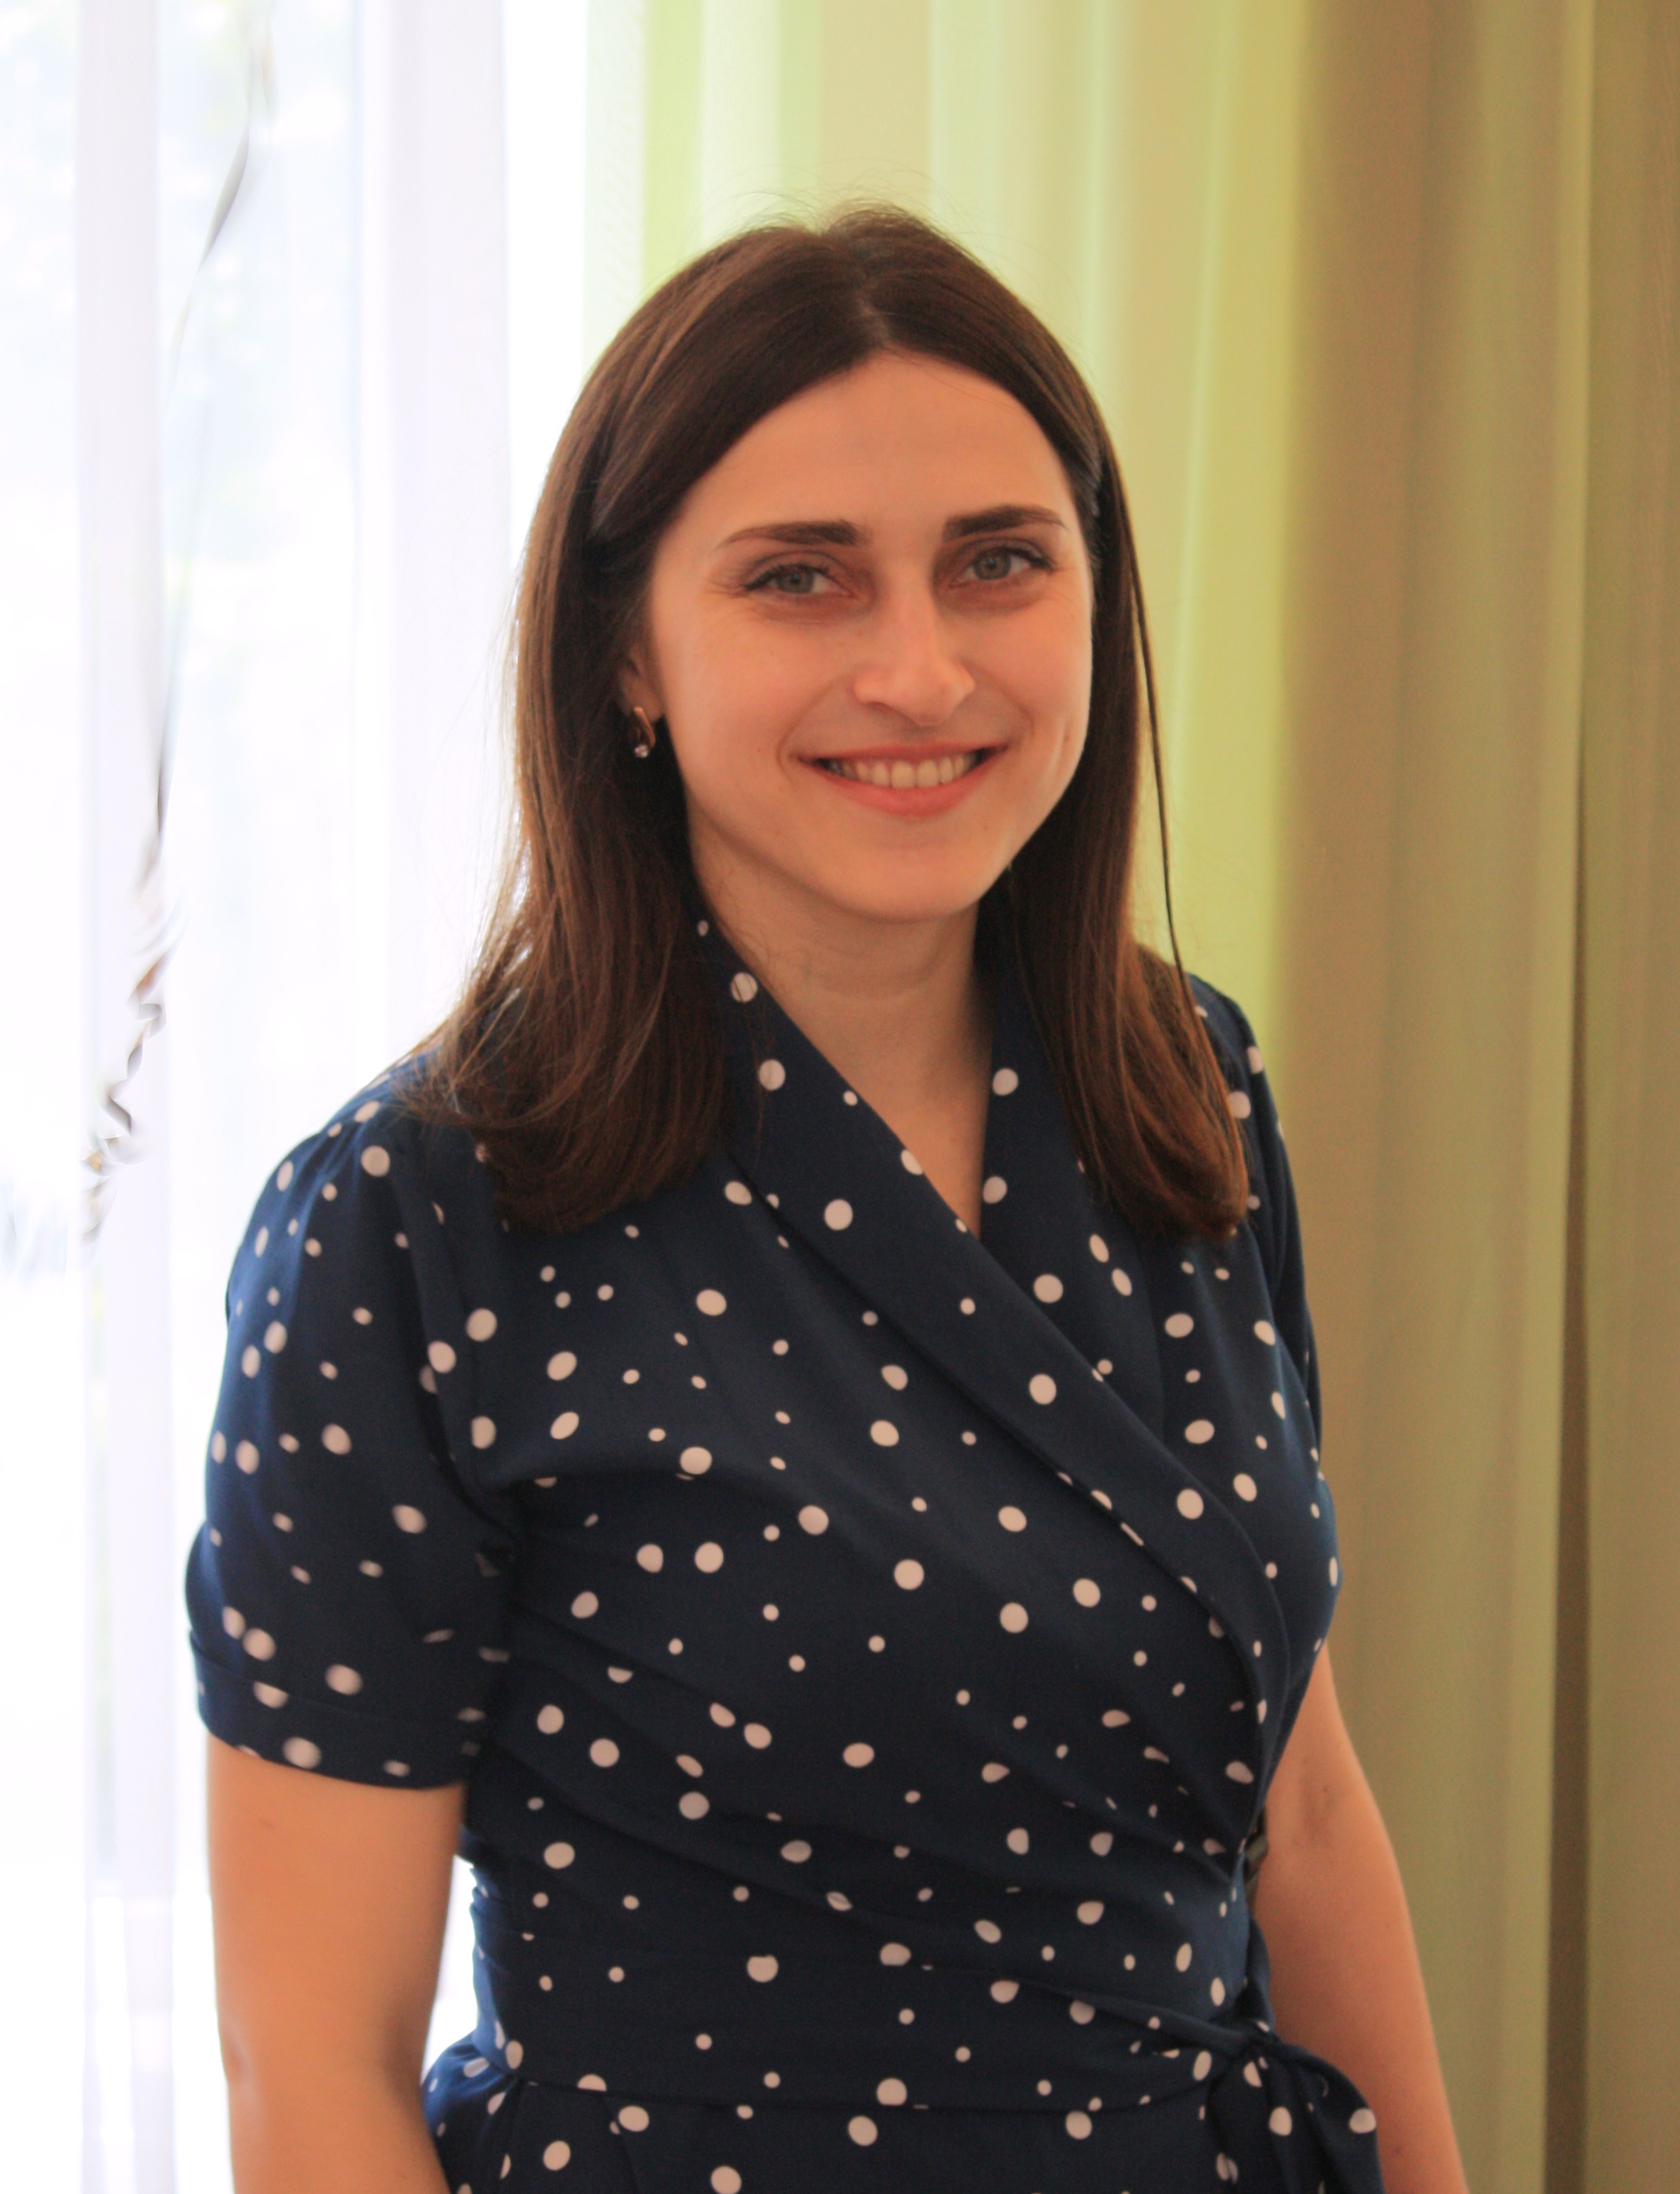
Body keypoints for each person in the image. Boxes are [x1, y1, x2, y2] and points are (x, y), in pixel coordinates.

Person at [189, 204, 1468, 2194]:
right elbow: (308, 2074)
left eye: (998, 563)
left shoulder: (1185, 1082)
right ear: (628, 651)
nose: (918, 667)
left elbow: (1298, 1814)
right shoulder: (414, 1219)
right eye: (799, 578)